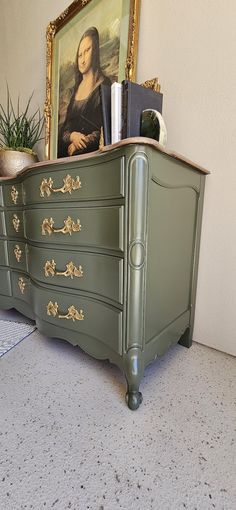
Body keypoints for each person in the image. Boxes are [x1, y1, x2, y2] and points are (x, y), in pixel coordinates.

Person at [57, 26, 111, 158]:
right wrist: (72, 136)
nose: (82, 58)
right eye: (79, 54)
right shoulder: (74, 91)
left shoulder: (105, 86)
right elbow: (64, 130)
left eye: (87, 51)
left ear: (96, 50)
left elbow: (106, 129)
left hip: (94, 159)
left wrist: (81, 143)